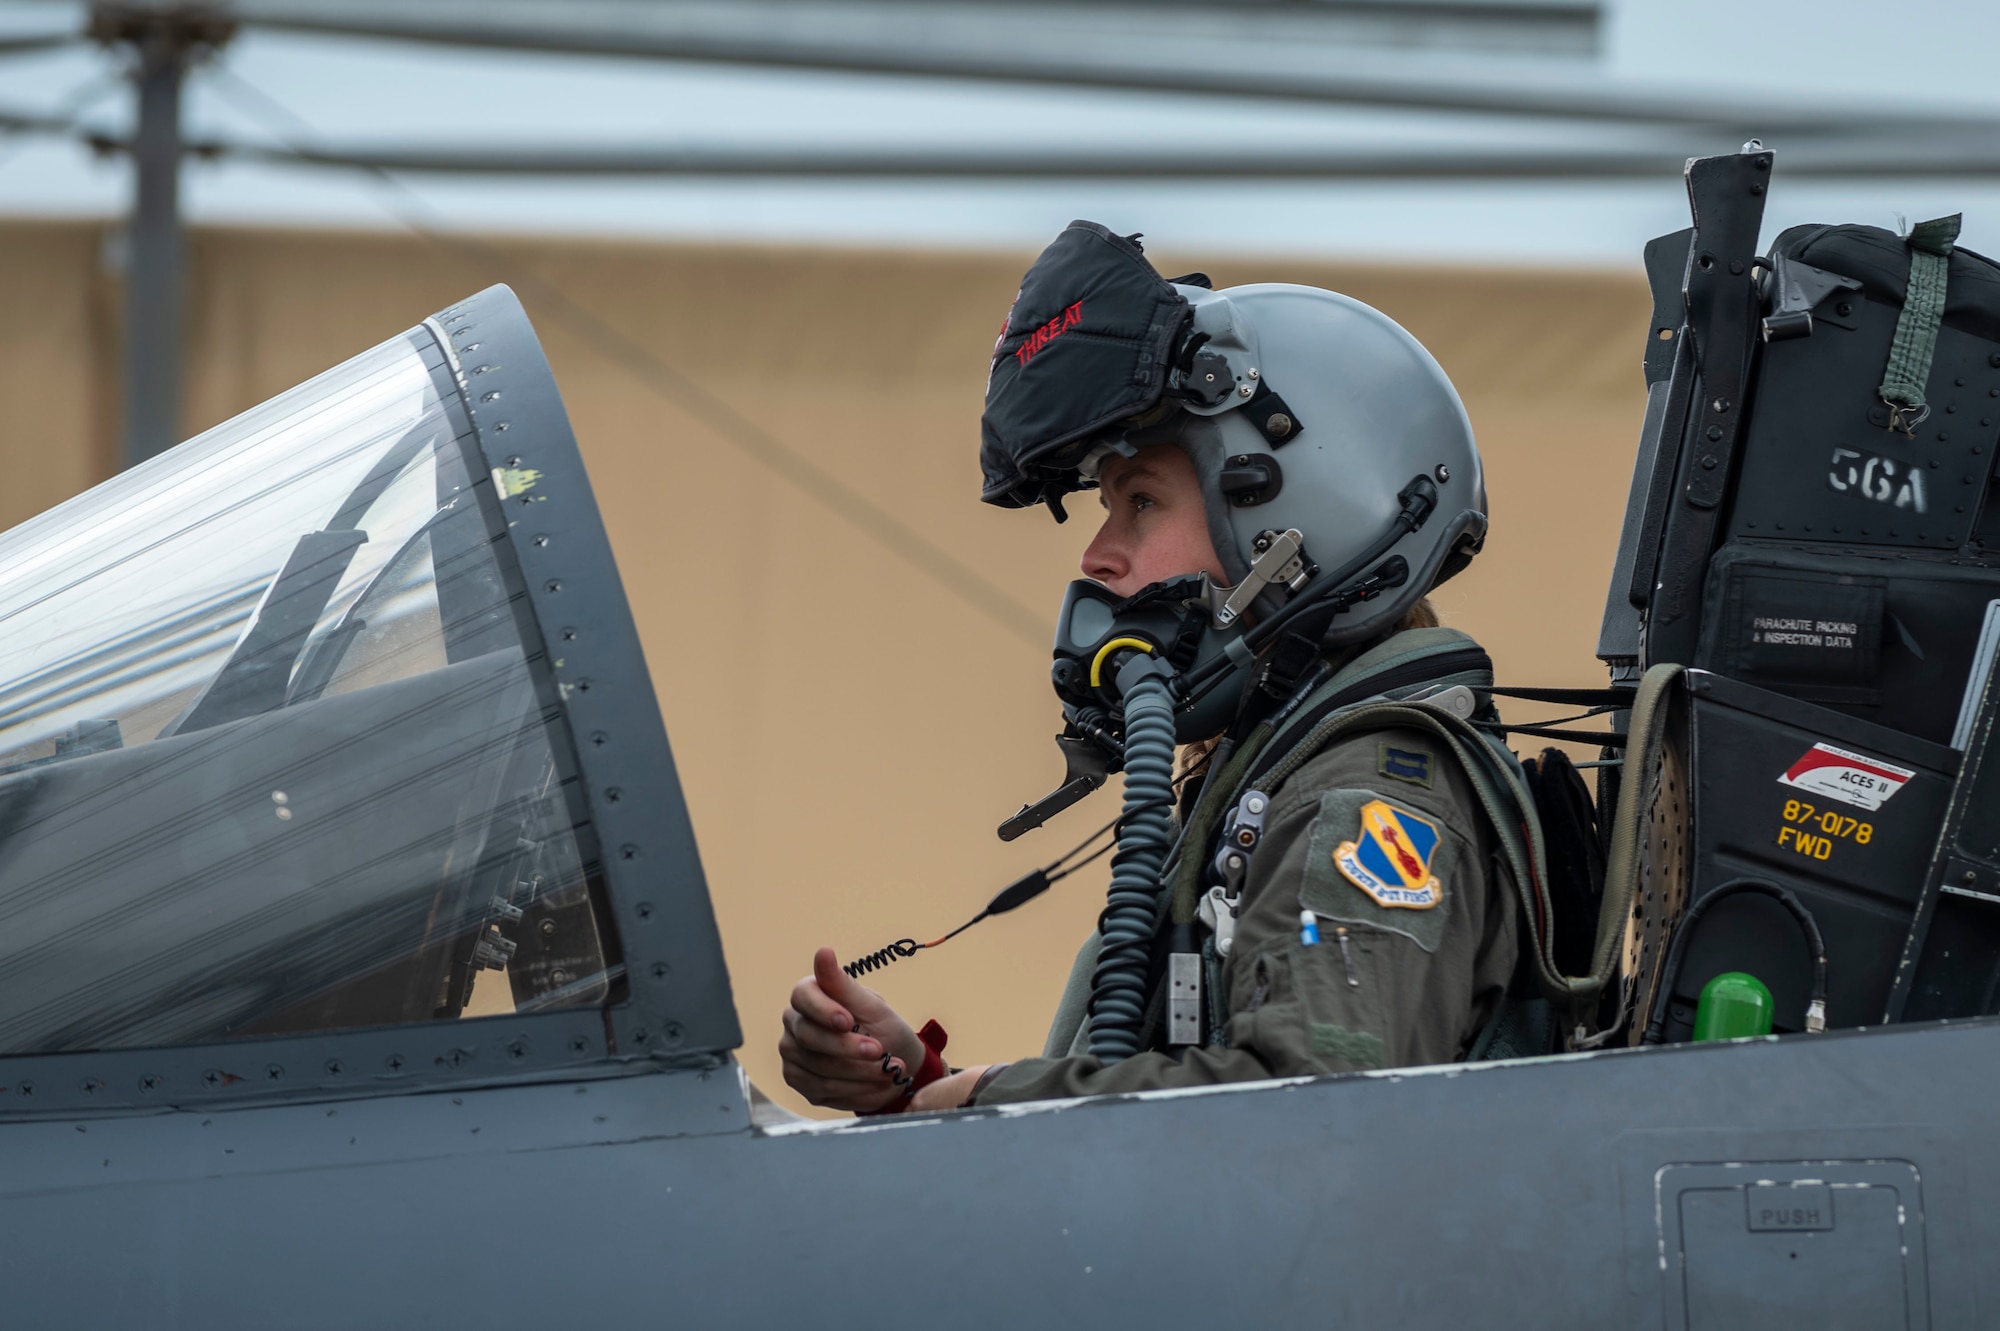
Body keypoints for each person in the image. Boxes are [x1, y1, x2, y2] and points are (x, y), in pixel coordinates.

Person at [779, 222, 1547, 1114]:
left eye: (1140, 501)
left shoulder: (1369, 801)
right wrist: (922, 1087)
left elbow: (1314, 1110)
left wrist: (981, 1099)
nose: (1098, 557)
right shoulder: (1274, 782)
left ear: (1300, 520)